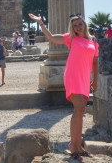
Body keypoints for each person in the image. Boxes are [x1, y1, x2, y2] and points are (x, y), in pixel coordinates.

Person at [29, 12, 98, 160]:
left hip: (85, 78)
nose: (78, 27)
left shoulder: (93, 40)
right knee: (79, 108)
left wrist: (95, 80)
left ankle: (78, 146)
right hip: (72, 76)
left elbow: (95, 62)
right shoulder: (71, 38)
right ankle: (73, 145)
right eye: (75, 25)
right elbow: (51, 37)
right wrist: (41, 23)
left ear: (84, 24)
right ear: (72, 28)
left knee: (81, 111)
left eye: (80, 24)